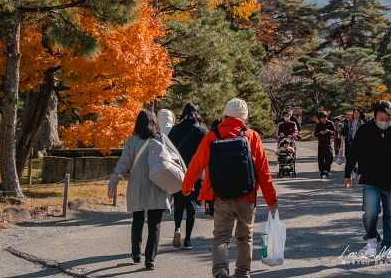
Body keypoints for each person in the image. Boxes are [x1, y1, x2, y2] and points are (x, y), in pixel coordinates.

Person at [182, 98, 278, 278]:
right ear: (244, 117)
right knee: (244, 238)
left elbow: (196, 164)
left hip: (221, 197)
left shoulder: (212, 136)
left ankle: (220, 271)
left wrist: (187, 187)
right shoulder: (252, 136)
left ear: (225, 114)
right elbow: (263, 172)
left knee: (221, 238)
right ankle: (242, 273)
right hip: (247, 197)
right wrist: (271, 199)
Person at [108, 109, 183, 271]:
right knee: (155, 225)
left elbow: (123, 164)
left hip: (137, 187)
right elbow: (177, 159)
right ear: (154, 123)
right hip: (157, 185)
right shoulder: (161, 139)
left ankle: (136, 254)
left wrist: (112, 183)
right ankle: (150, 260)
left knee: (137, 221)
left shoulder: (131, 141)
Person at [344, 100, 391, 264]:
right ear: (375, 116)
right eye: (381, 118)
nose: (385, 122)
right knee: (370, 212)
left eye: (388, 119)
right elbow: (354, 152)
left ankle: (389, 247)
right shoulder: (365, 129)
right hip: (370, 179)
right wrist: (348, 174)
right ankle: (372, 240)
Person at [167, 103, 209, 249]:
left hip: (178, 173)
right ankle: (188, 240)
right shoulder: (203, 131)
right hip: (196, 174)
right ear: (198, 113)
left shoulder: (175, 130)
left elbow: (168, 151)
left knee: (179, 205)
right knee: (191, 208)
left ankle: (177, 228)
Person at [314, 110, 337, 178]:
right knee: (321, 159)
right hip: (321, 144)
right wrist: (321, 133)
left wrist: (329, 131)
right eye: (322, 118)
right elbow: (315, 134)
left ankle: (327, 169)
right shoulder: (318, 125)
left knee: (329, 158)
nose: (323, 119)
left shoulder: (330, 123)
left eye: (325, 118)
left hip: (328, 144)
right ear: (320, 118)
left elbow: (334, 132)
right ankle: (322, 171)